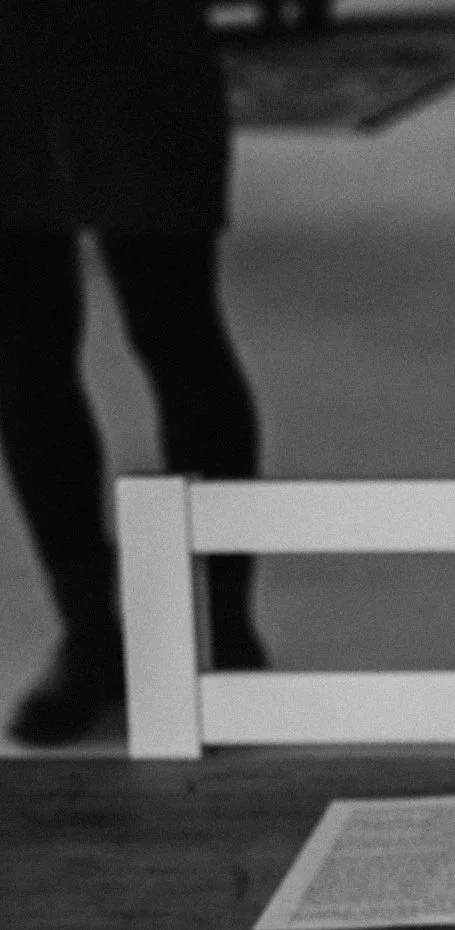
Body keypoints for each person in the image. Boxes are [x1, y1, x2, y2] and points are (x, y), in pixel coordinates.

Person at [0, 0, 267, 747]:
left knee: (177, 327)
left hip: (135, 42)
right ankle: (89, 632)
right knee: (24, 353)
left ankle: (223, 626)